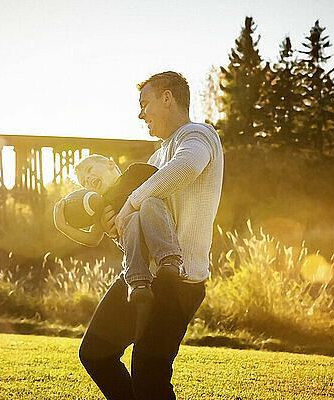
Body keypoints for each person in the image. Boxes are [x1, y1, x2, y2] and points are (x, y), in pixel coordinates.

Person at [78, 71, 223, 399]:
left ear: (168, 98)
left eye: (145, 104)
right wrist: (116, 225)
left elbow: (187, 167)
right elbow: (140, 222)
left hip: (178, 282)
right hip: (140, 278)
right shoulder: (156, 157)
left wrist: (129, 203)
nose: (140, 113)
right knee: (95, 353)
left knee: (149, 378)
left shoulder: (197, 136)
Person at [53, 155, 185, 306]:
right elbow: (92, 239)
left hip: (159, 228)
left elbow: (165, 182)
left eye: (90, 170)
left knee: (150, 202)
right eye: (83, 182)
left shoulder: (136, 172)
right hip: (134, 243)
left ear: (110, 164)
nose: (88, 179)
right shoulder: (102, 205)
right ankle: (138, 282)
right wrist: (63, 226)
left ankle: (170, 260)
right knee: (132, 219)